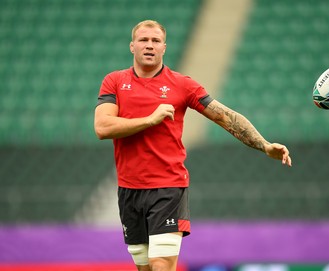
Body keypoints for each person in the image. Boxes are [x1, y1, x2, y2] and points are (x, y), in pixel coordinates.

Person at [94, 19, 292, 271]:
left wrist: (264, 145)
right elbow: (102, 127)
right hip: (129, 190)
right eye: (143, 40)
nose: (149, 45)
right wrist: (150, 119)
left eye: (156, 41)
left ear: (164, 47)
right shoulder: (114, 81)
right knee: (144, 267)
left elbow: (225, 116)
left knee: (161, 264)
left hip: (168, 188)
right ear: (132, 46)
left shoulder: (182, 84)